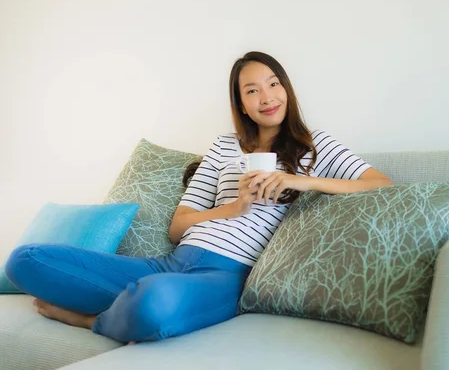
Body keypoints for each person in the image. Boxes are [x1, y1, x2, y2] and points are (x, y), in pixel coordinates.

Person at [5, 51, 393, 343]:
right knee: (26, 260)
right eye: (252, 90)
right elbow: (178, 226)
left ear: (287, 89)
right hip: (169, 264)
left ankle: (90, 320)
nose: (267, 96)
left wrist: (303, 182)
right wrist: (235, 207)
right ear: (241, 103)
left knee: (154, 303)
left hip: (226, 275)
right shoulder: (224, 148)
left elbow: (381, 184)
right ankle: (127, 304)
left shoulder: (315, 147)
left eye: (274, 84)